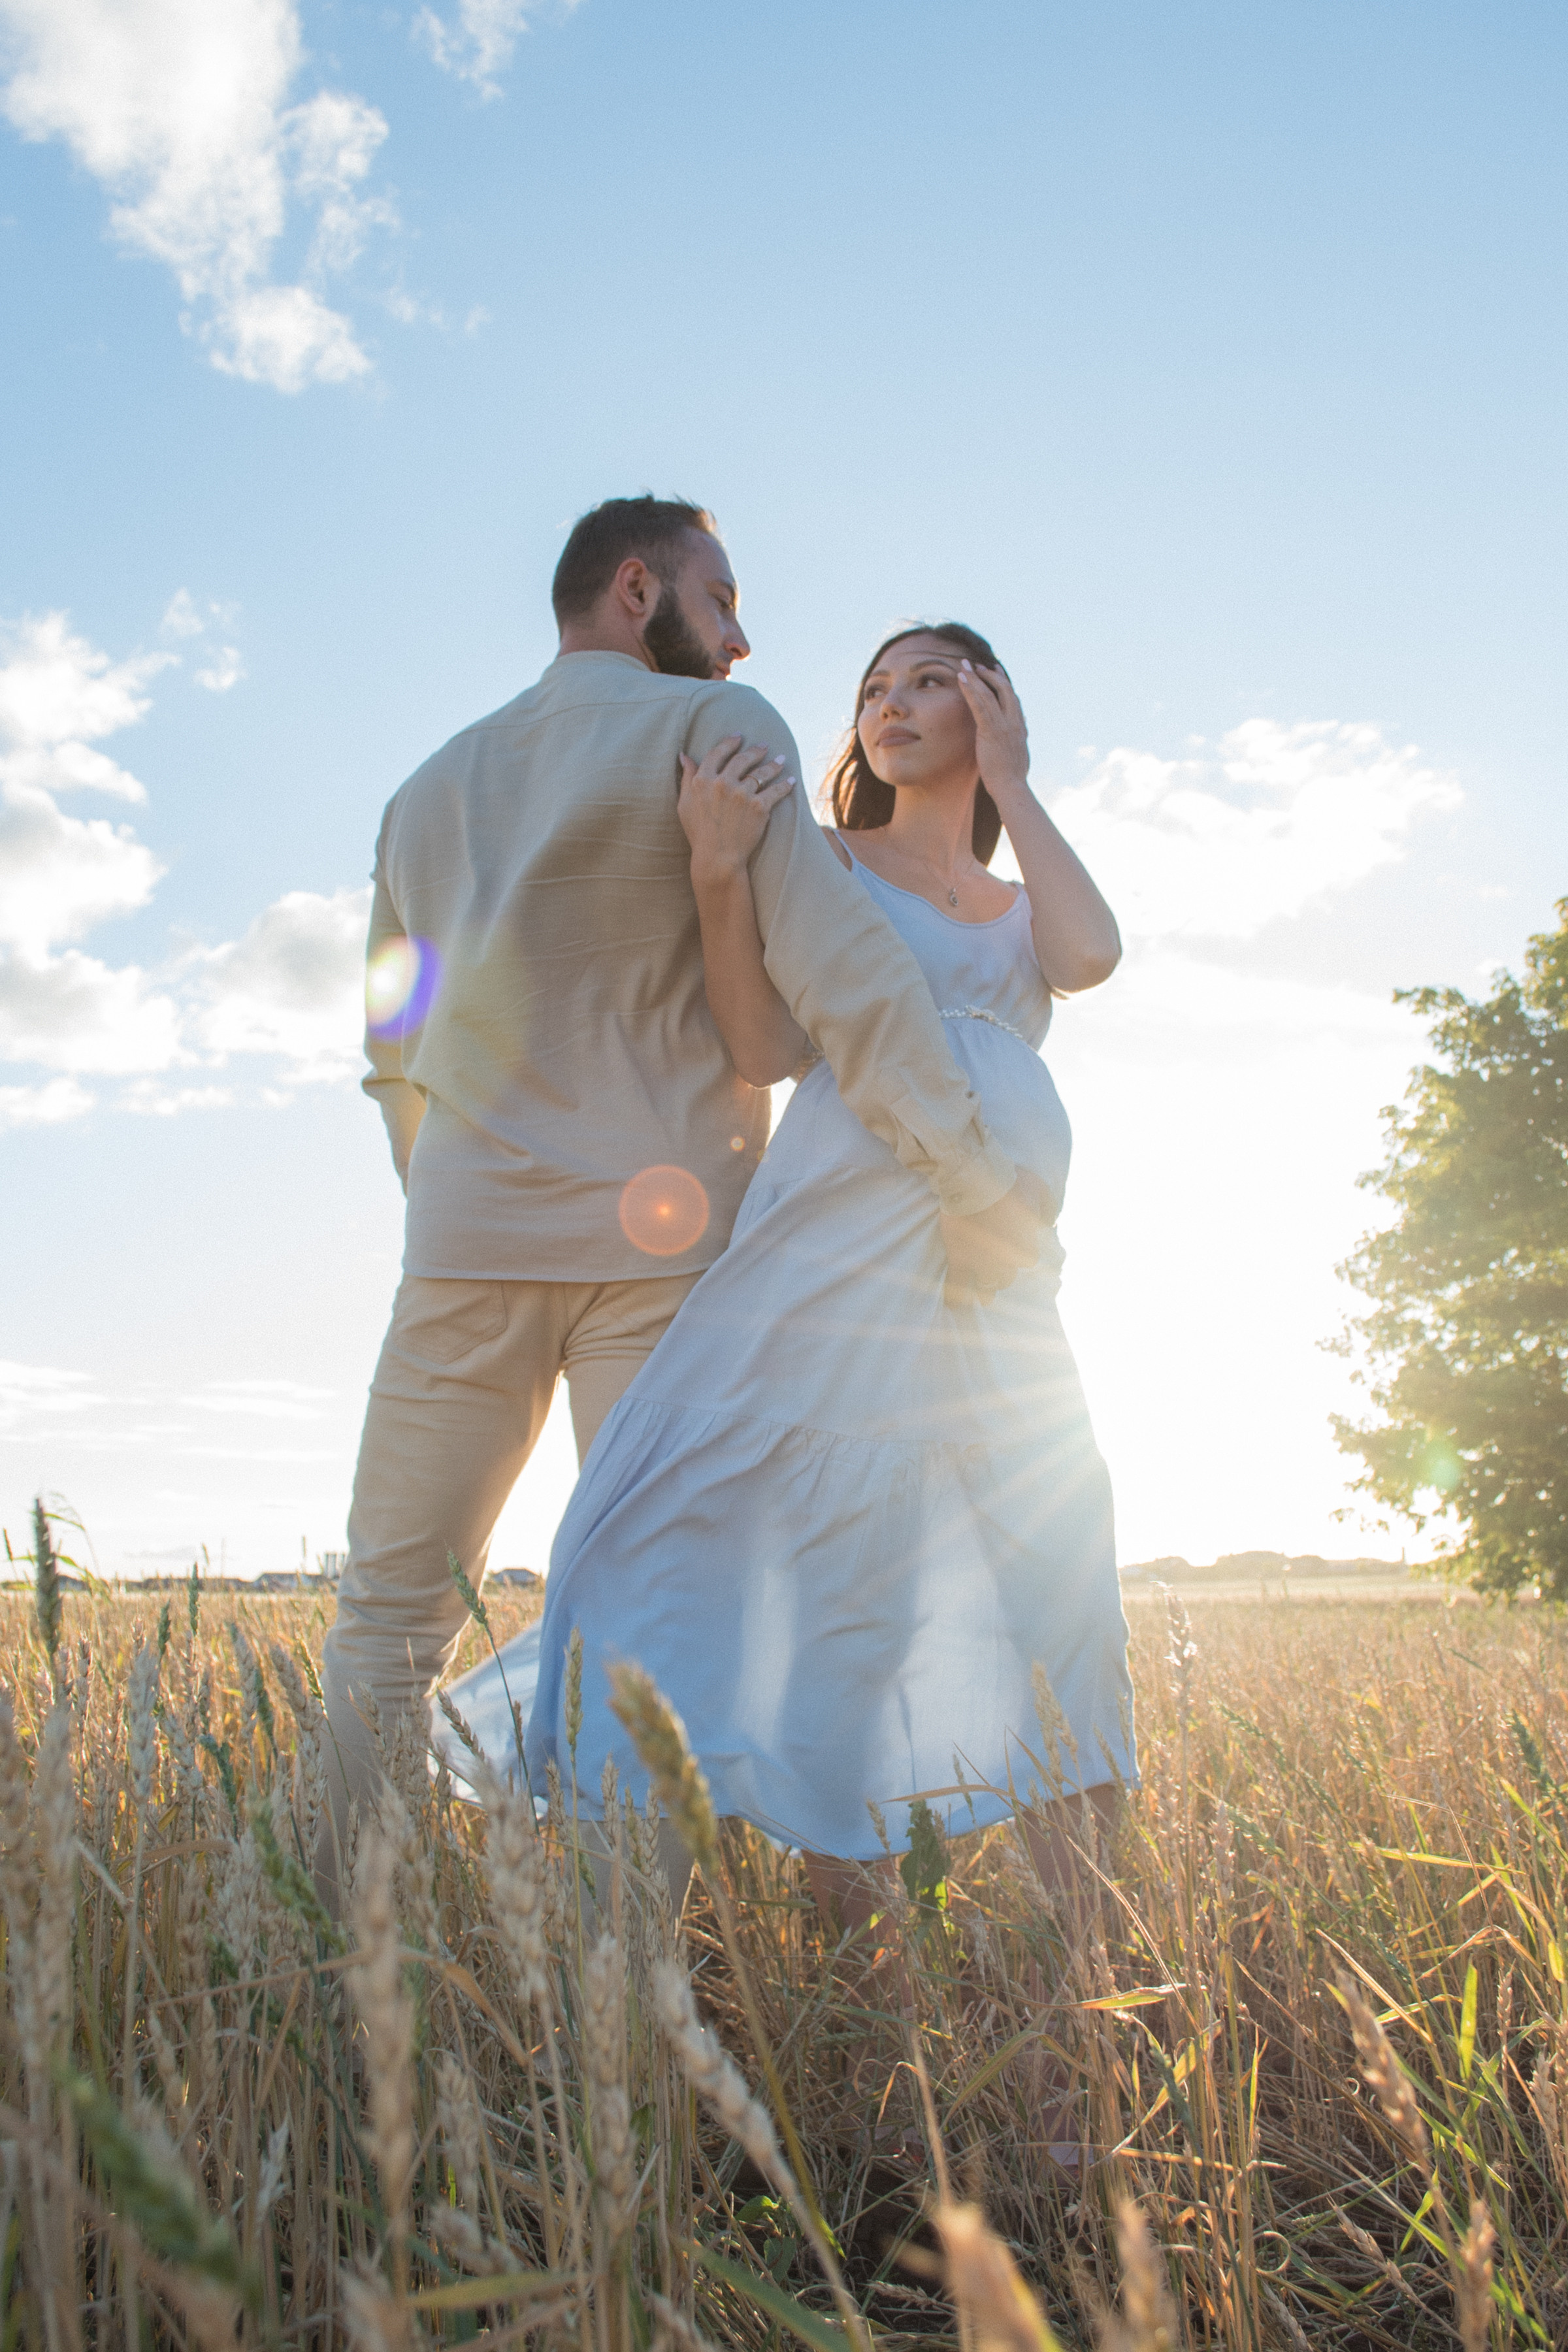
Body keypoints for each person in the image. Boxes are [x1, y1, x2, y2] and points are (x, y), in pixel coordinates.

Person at [321, 505, 1045, 1884]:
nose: (741, 636)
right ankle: (623, 1976)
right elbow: (845, 980)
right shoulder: (722, 733)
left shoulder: (423, 792)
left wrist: (454, 1188)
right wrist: (972, 1170)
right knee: (657, 1609)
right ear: (636, 587)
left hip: (464, 1249)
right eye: (719, 601)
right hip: (658, 1261)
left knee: (389, 1612)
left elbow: (390, 1046)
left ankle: (329, 1927)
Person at [450, 621, 1137, 2044]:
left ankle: (1088, 2019)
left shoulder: (1018, 906)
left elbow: (1089, 953)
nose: (892, 705)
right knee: (804, 1581)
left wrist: (1016, 779)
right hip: (843, 1236)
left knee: (1065, 1597)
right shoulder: (825, 861)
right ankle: (877, 2046)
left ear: (994, 703)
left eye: (930, 680)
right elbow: (764, 1047)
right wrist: (717, 870)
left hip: (1001, 1265)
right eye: (874, 688)